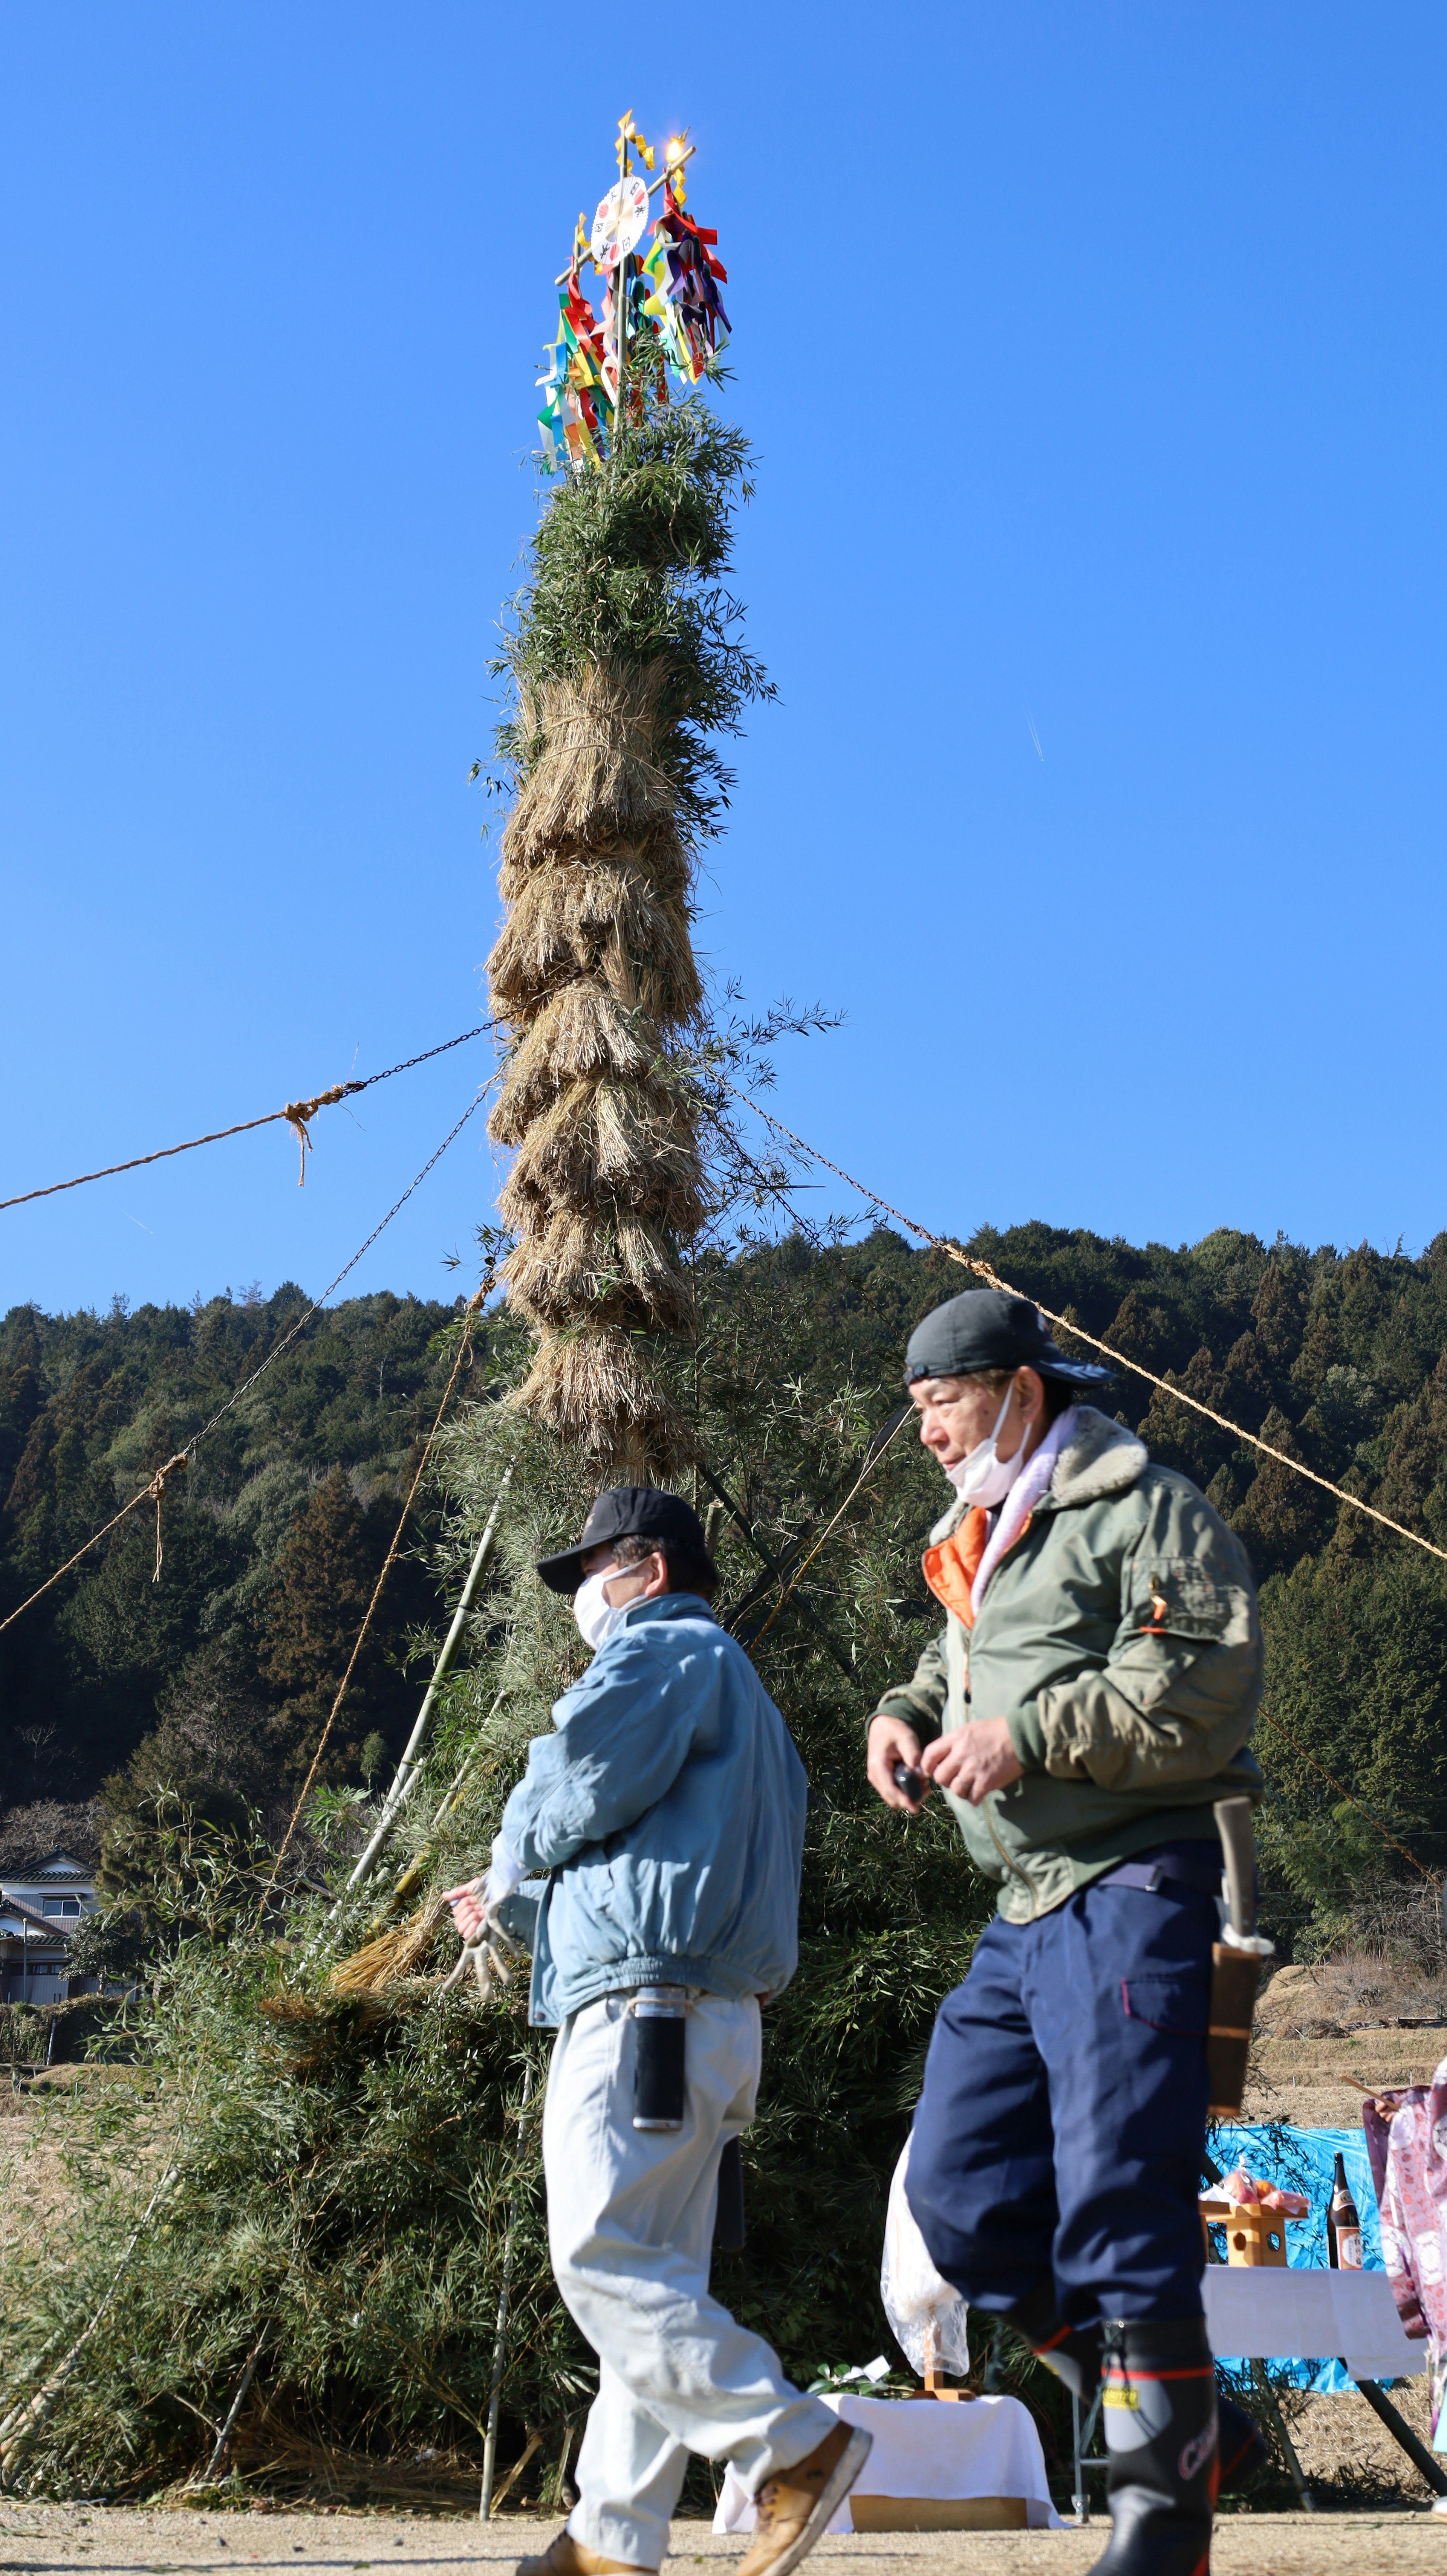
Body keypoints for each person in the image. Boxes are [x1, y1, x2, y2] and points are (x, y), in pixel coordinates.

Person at [866, 1289, 1267, 2573]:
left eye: (941, 1404)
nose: (925, 1431)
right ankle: (1179, 2419)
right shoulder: (977, 1529)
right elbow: (961, 1668)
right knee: (960, 2194)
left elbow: (1201, 1689)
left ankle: (1165, 2524)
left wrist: (1027, 1737)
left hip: (1131, 1883)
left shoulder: (1151, 1508)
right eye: (917, 1410)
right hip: (1022, 1907)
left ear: (1020, 1392)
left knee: (1118, 2198)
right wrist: (904, 1708)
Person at [447, 1486, 870, 2576]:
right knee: (659, 2278)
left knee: (601, 2257)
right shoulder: (749, 1707)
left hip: (647, 2020)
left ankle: (791, 2444)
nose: (583, 1597)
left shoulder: (663, 1653)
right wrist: (521, 1905)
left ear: (652, 1571)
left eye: (593, 1572)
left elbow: (578, 1782)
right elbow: (655, 1869)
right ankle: (610, 2543)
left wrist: (510, 1853)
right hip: (711, 2018)